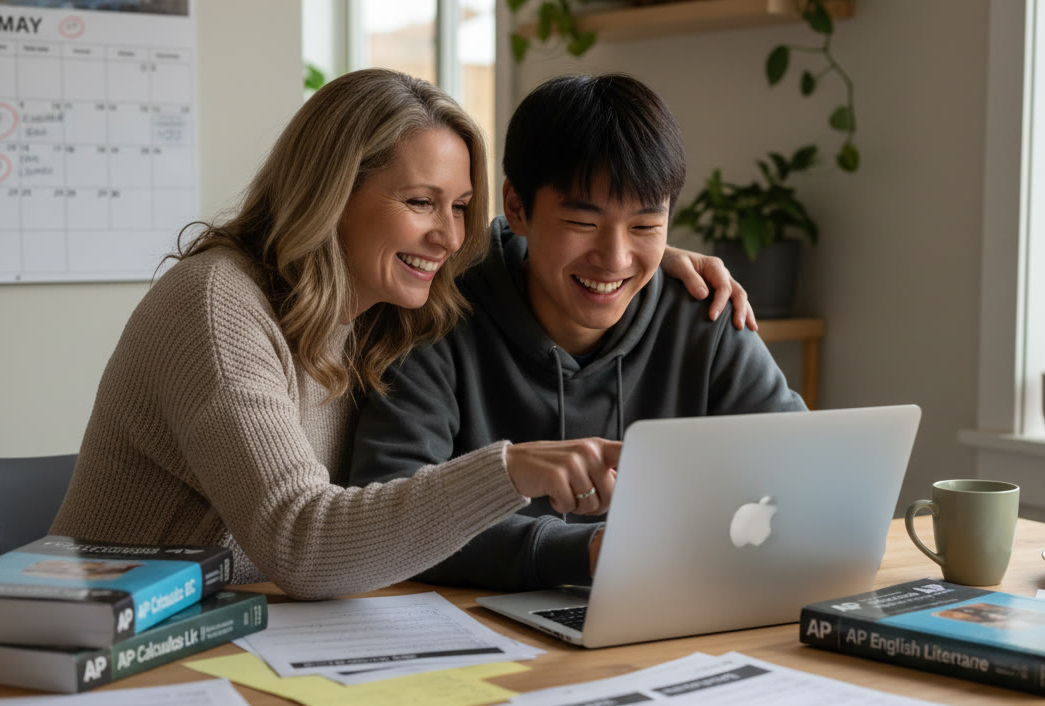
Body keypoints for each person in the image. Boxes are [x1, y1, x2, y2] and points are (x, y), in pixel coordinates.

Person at [49, 69, 747, 601]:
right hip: (102, 634)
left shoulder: (374, 311)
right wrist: (509, 470)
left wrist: (643, 264)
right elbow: (299, 541)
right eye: (420, 203)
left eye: (461, 207)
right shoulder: (219, 306)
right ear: (330, 192)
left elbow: (521, 244)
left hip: (236, 628)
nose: (448, 236)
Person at [348, 73, 807, 592]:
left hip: (671, 615)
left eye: (645, 227)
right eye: (584, 223)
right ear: (517, 207)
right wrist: (580, 552)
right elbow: (387, 509)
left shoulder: (705, 311)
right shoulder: (437, 312)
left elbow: (804, 473)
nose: (614, 259)